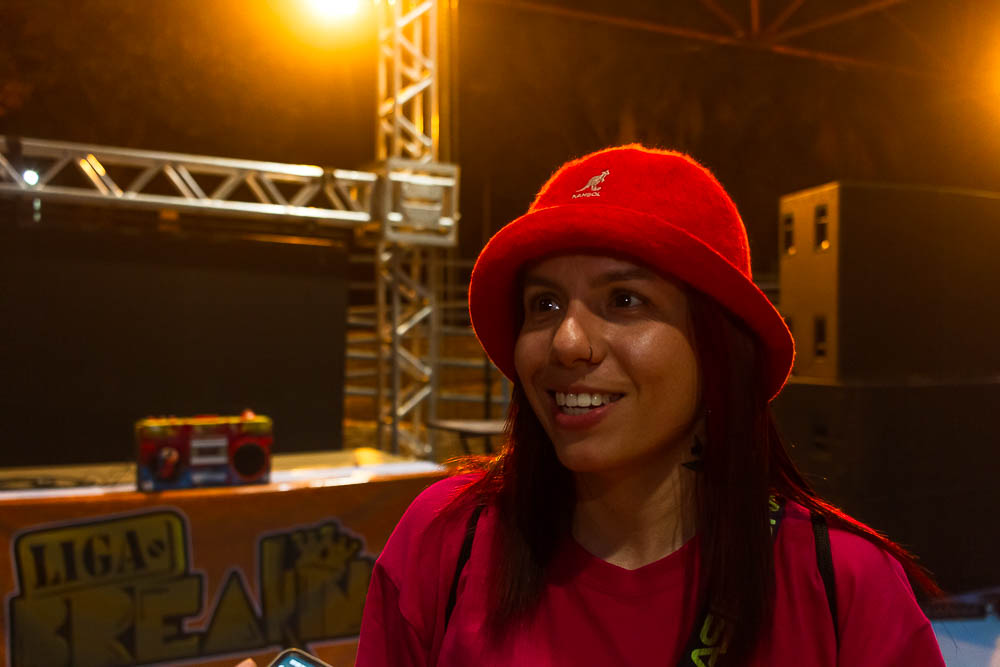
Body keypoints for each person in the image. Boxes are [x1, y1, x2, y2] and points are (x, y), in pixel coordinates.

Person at [356, 145, 945, 665]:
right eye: (545, 304)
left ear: (718, 347)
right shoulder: (445, 542)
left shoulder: (844, 584)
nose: (567, 342)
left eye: (625, 299)